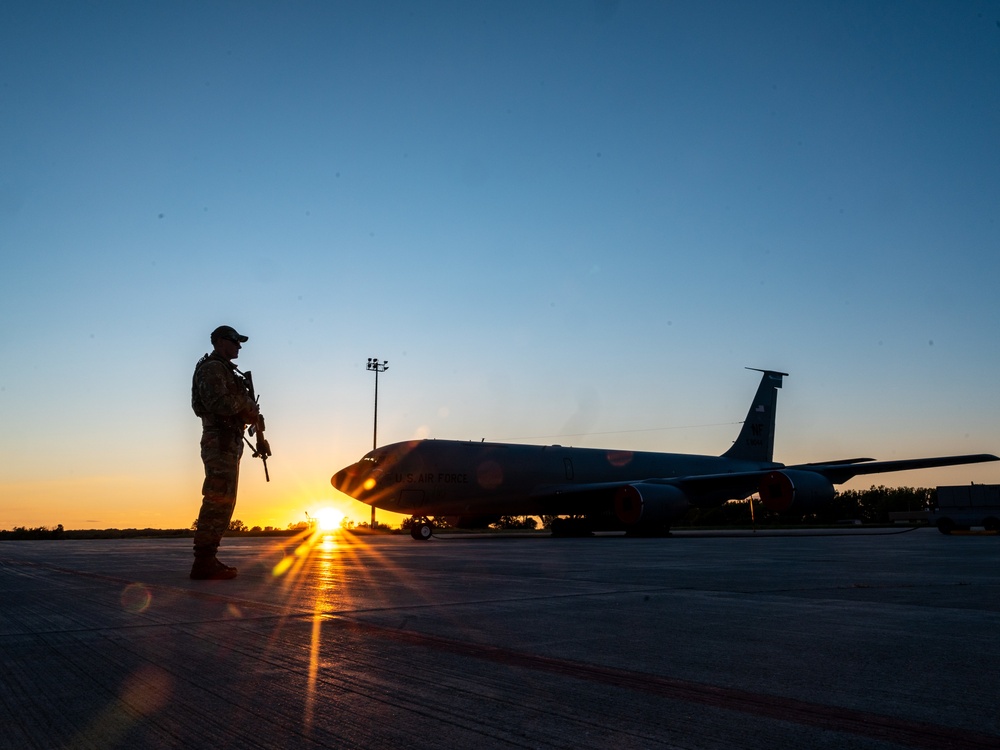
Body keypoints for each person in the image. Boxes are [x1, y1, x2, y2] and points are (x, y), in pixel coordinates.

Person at [189, 325, 263, 580]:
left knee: (225, 498)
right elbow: (217, 403)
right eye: (235, 341)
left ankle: (208, 557)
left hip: (228, 440)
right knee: (217, 497)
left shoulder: (226, 370)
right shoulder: (212, 369)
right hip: (219, 440)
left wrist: (252, 416)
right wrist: (246, 404)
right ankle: (203, 560)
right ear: (220, 342)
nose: (239, 346)